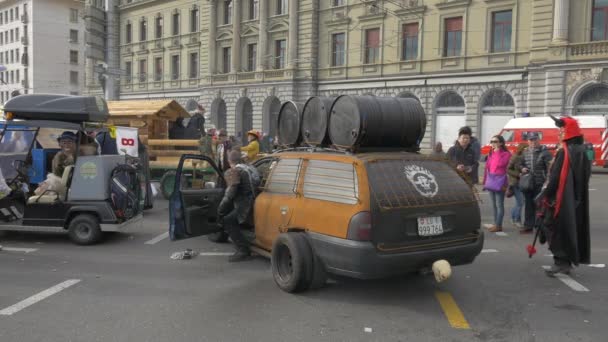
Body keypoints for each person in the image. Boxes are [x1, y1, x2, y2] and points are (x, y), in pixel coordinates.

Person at [541, 115, 591, 276]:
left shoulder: (565, 152)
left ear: (568, 133)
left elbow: (555, 178)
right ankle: (566, 261)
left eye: (562, 131)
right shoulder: (582, 150)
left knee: (553, 227)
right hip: (575, 198)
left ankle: (561, 262)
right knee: (569, 228)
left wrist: (544, 194)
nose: (559, 134)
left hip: (560, 199)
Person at [217, 151, 257, 262]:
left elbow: (229, 195)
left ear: (230, 161)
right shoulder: (250, 168)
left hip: (245, 205)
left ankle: (242, 250)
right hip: (256, 201)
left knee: (228, 220)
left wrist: (220, 210)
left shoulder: (234, 171)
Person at [519, 132, 552, 233]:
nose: (533, 142)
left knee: (540, 205)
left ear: (539, 140)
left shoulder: (545, 152)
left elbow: (550, 169)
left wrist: (547, 182)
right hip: (528, 183)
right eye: (530, 140)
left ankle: (539, 226)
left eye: (535, 139)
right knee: (528, 205)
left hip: (540, 183)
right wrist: (522, 168)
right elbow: (520, 164)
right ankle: (528, 226)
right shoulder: (525, 152)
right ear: (528, 141)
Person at [483, 135, 511, 232]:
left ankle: (498, 225)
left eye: (495, 141)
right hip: (491, 181)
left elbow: (502, 164)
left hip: (500, 181)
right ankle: (496, 224)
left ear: (501, 143)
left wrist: (498, 151)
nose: (493, 143)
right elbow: (487, 168)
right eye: (492, 141)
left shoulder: (506, 154)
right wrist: (484, 182)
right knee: (493, 205)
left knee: (499, 205)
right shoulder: (490, 154)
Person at [506, 143, 528, 229]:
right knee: (520, 202)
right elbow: (508, 169)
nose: (526, 151)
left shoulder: (525, 157)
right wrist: (518, 174)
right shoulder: (515, 157)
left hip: (523, 182)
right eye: (525, 149)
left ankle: (513, 218)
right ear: (521, 149)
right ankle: (516, 220)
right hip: (515, 182)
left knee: (518, 202)